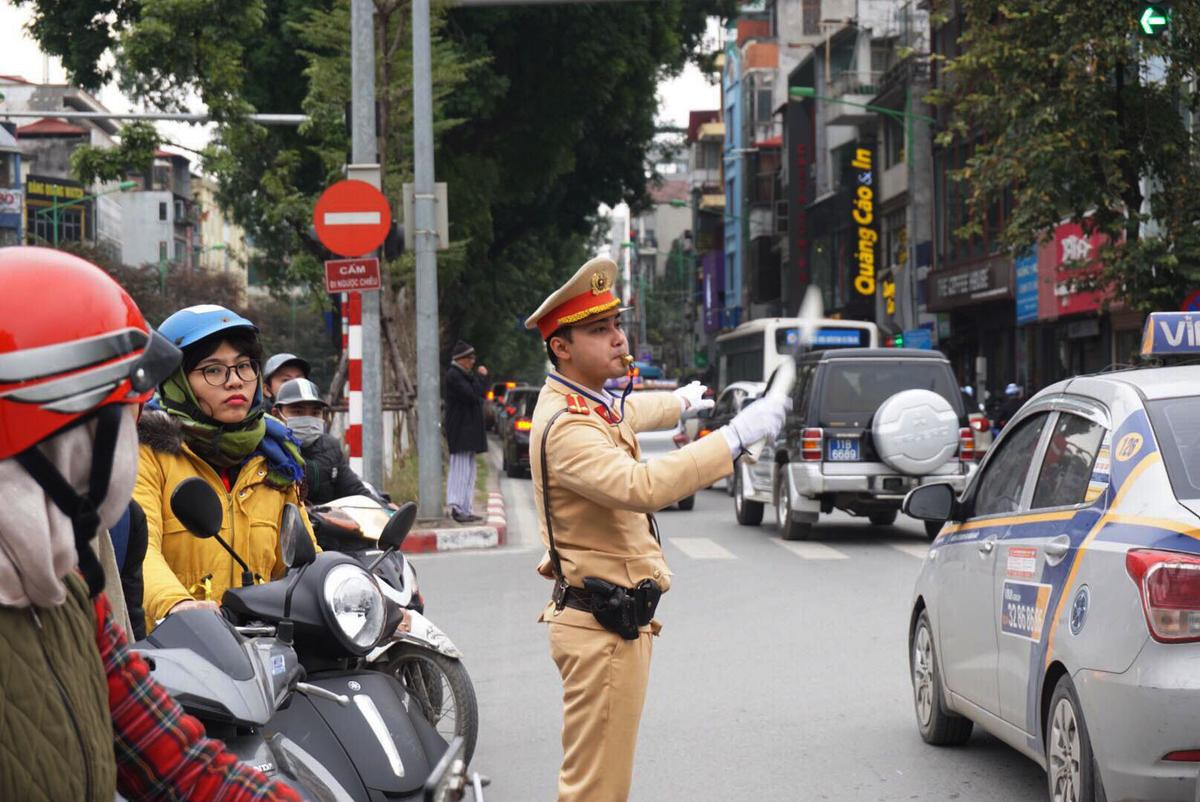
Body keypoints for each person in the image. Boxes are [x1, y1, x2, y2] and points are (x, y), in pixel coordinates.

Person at [0, 246, 301, 801]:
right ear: (54, 434)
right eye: (122, 411)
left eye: (243, 367)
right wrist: (183, 604)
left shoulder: (63, 587)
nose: (139, 424)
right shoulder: (154, 470)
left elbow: (171, 759)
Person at [525, 256, 786, 802]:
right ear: (562, 347)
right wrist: (735, 438)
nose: (620, 339)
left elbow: (629, 413)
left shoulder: (583, 403)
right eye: (600, 330)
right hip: (601, 629)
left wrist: (683, 402)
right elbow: (640, 486)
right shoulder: (569, 426)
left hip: (608, 621)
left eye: (617, 324)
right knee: (598, 791)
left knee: (600, 782)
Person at [134, 305, 319, 624]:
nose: (235, 382)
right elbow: (139, 551)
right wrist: (176, 604)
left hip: (263, 650)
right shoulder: (147, 452)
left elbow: (304, 562)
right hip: (174, 649)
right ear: (176, 382)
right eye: (213, 370)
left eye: (244, 366)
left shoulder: (275, 458)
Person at [272, 377, 374, 505]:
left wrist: (384, 509)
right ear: (276, 414)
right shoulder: (268, 451)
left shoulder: (331, 448)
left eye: (315, 412)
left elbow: (355, 490)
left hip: (328, 522)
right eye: (298, 411)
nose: (308, 419)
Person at [443, 339, 488, 523]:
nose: (473, 361)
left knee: (470, 471)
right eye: (470, 358)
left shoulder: (464, 376)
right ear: (460, 359)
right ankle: (456, 507)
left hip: (468, 432)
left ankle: (466, 507)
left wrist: (479, 379)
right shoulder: (454, 376)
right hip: (460, 430)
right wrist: (481, 378)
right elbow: (472, 395)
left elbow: (478, 394)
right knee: (460, 469)